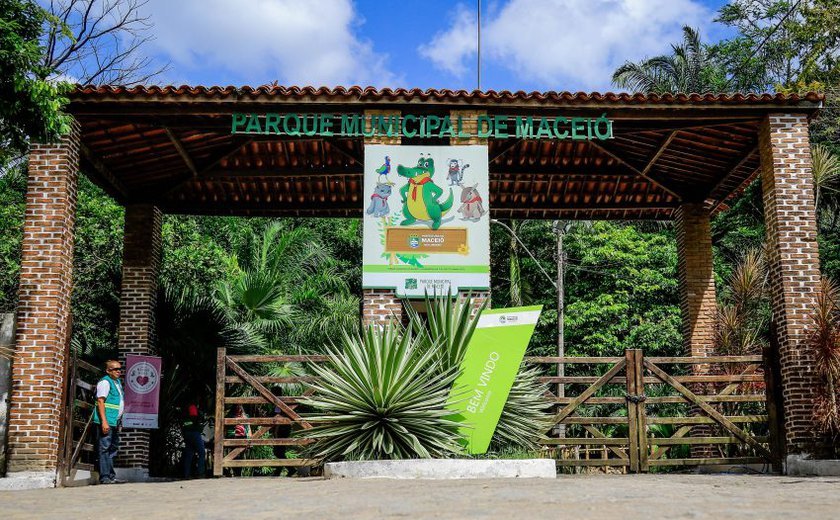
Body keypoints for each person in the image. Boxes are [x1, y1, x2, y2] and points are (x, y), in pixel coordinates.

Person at [93, 360, 124, 484]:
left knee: (112, 448)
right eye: (115, 369)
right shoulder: (105, 382)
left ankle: (111, 476)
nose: (118, 371)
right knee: (104, 448)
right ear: (108, 370)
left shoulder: (117, 382)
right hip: (107, 421)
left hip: (114, 421)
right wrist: (104, 422)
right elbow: (101, 401)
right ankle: (104, 477)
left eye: (119, 369)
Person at [181, 399, 207, 479]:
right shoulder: (192, 407)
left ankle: (186, 474)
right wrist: (200, 419)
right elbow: (194, 418)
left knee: (189, 454)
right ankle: (200, 473)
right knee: (202, 452)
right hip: (194, 432)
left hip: (187, 433)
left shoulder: (184, 409)